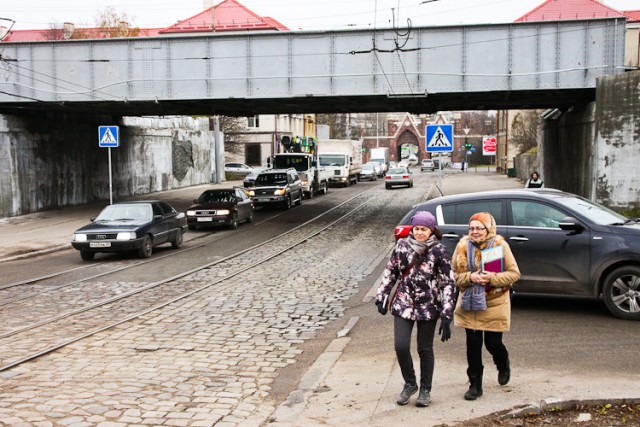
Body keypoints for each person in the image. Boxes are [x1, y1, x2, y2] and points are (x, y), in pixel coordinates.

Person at [375, 211, 456, 408]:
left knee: (424, 348)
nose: (420, 233)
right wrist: (382, 295)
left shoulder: (440, 251)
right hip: (403, 304)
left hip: (428, 306)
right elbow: (391, 271)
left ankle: (425, 389)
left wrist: (446, 315)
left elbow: (448, 283)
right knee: (401, 345)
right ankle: (410, 383)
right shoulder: (402, 246)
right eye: (417, 229)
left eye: (424, 229)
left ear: (432, 230)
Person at [451, 212, 521, 401]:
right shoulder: (462, 246)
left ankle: (502, 363)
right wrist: (470, 277)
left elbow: (514, 274)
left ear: (488, 229)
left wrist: (492, 278)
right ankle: (475, 385)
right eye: (471, 228)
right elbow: (455, 275)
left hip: (494, 301)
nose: (475, 232)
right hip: (470, 301)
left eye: (479, 228)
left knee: (493, 343)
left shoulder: (500, 245)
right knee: (472, 345)